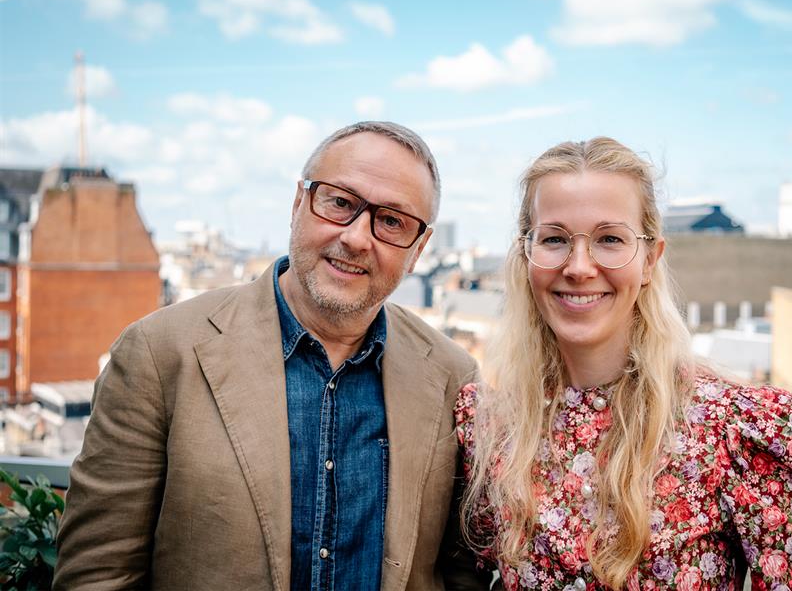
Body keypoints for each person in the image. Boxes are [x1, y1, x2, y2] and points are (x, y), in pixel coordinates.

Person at [55, 121, 484, 590]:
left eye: (391, 222)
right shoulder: (161, 353)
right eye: (340, 202)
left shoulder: (450, 377)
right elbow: (97, 575)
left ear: (419, 249)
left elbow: (462, 572)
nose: (358, 238)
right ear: (299, 203)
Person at [455, 137, 792, 590]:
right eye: (555, 239)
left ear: (649, 261)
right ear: (526, 256)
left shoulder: (737, 427)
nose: (579, 266)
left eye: (610, 239)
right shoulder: (487, 423)